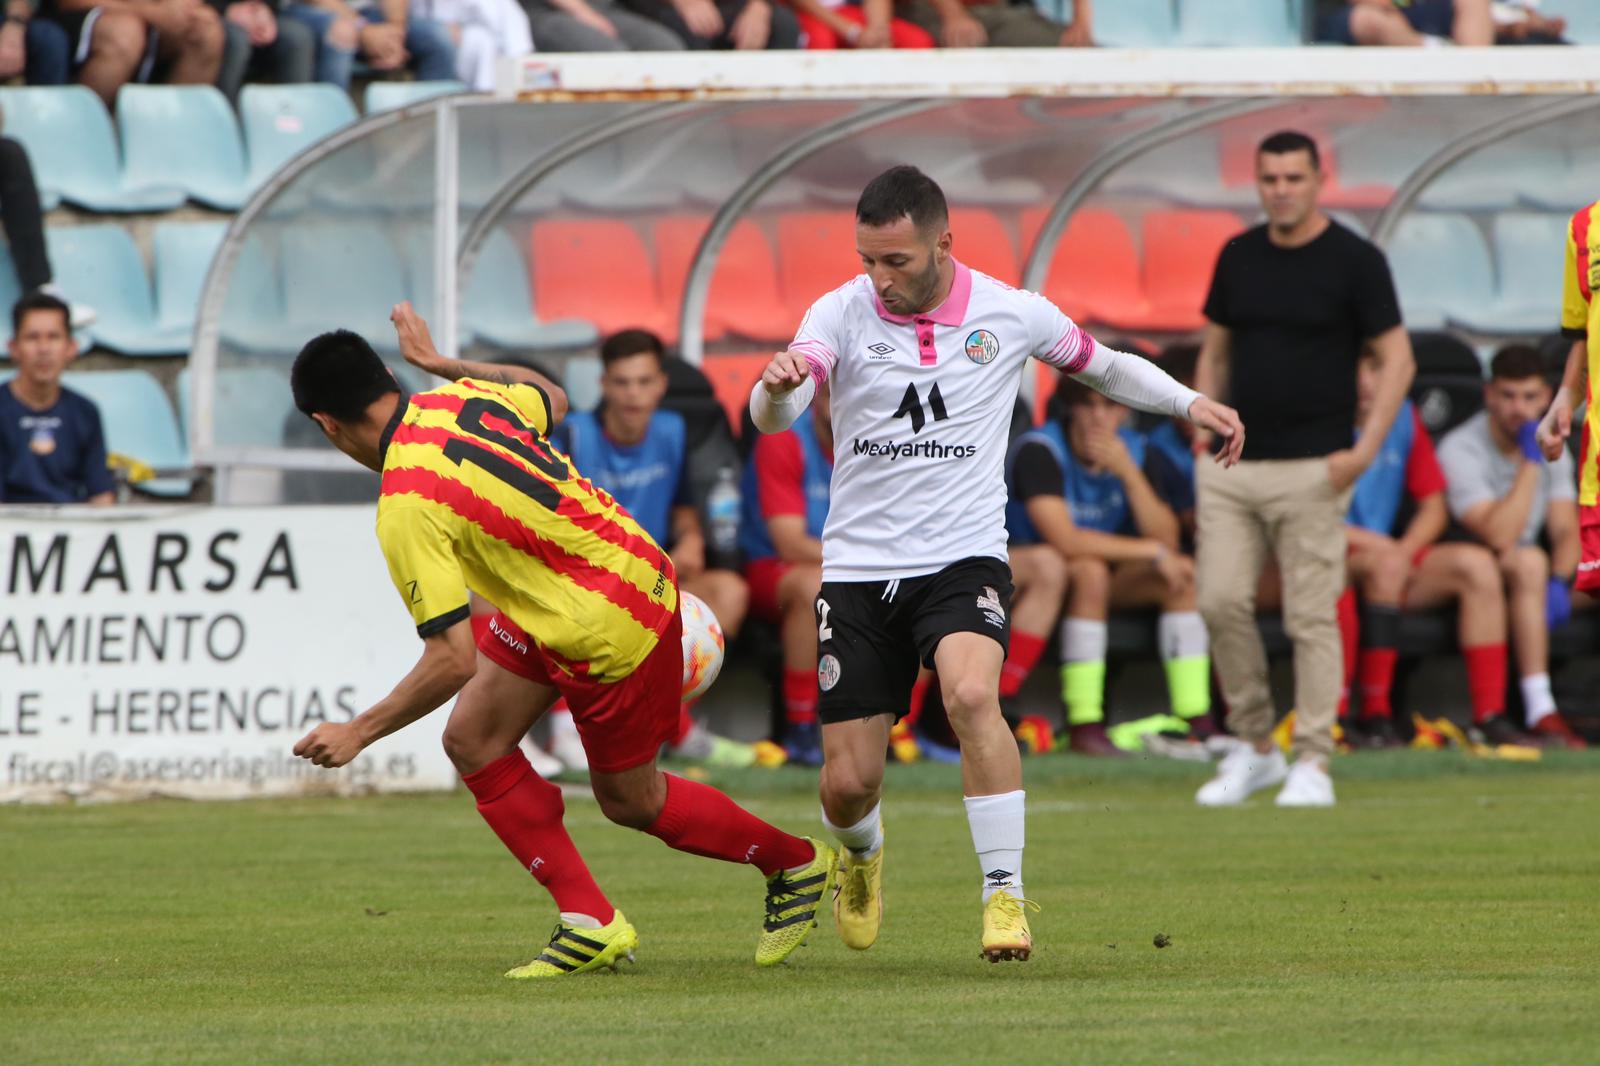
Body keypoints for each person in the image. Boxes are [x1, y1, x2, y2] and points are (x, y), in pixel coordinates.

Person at [750, 164, 1243, 962]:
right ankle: (864, 856)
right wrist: (776, 388)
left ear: (944, 241)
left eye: (896, 262)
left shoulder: (1009, 313)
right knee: (847, 785)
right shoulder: (839, 311)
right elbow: (778, 411)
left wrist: (1190, 403)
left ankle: (1004, 897)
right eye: (868, 260)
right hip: (859, 568)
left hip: (963, 555)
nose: (878, 278)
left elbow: (1105, 365)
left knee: (973, 695)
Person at [288, 302, 837, 978]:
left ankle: (795, 864)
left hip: (608, 630)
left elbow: (452, 657)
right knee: (473, 738)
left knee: (630, 802)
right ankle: (589, 920)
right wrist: (442, 365)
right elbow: (552, 396)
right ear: (389, 380)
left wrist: (358, 731)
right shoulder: (459, 400)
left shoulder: (406, 502)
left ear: (327, 424)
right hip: (596, 576)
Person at [1193, 129, 1415, 809]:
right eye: (1270, 179)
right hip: (1232, 467)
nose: (1281, 190)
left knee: (1311, 616)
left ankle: (1314, 758)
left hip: (1317, 466)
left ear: (1321, 179)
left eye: (1293, 178)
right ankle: (1257, 746)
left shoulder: (1356, 259)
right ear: (1257, 183)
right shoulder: (1238, 254)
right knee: (1219, 601)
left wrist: (1362, 452)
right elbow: (1216, 352)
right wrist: (1201, 421)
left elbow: (1398, 360)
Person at [555, 329, 755, 766]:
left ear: (661, 385)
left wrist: (692, 539)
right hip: (591, 576)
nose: (633, 394)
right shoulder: (573, 437)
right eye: (622, 382)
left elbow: (683, 508)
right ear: (603, 384)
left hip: (654, 573)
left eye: (644, 382)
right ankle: (654, 731)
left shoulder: (672, 431)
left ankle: (670, 723)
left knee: (728, 593)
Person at [1005, 377, 1212, 757]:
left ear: (1125, 411)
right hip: (1038, 582)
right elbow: (1065, 541)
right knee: (1089, 570)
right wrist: (1151, 552)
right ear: (1071, 408)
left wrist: (1129, 475)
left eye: (1110, 406)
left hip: (1104, 583)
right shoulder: (1041, 448)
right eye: (1088, 404)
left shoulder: (1139, 452)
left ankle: (1195, 719)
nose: (1098, 417)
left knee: (1182, 574)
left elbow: (1166, 538)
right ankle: (1085, 722)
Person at [1340, 346, 1517, 748]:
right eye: (1356, 369)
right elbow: (1305, 517)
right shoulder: (1314, 422)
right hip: (1328, 553)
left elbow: (1434, 506)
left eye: (1376, 369)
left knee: (1477, 565)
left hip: (1391, 557)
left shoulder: (1401, 416)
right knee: (1375, 566)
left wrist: (1403, 551)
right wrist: (1388, 552)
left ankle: (1489, 717)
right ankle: (1373, 714)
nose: (1366, 382)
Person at [1440, 345, 1588, 749]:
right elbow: (1499, 535)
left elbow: (1564, 528)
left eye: (1529, 397)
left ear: (1546, 397)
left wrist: (1561, 579)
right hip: (1475, 572)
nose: (1518, 409)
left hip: (1534, 577)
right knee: (1525, 560)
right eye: (1507, 396)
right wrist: (1529, 461)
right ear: (1489, 394)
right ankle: (1540, 710)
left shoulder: (1550, 443)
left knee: (1542, 565)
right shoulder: (1460, 447)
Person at [741, 377, 833, 767]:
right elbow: (791, 544)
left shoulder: (884, 444)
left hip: (843, 566)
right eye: (834, 393)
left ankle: (905, 727)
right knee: (812, 585)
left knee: (928, 575)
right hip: (772, 570)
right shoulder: (785, 439)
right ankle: (800, 727)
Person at [0, 292, 114, 505]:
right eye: (32, 337)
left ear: (71, 348)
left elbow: (101, 495)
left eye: (53, 337)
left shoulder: (85, 412)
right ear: (13, 348)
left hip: (72, 530)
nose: (43, 349)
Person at [44, 0, 225, 107]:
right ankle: (80, 136)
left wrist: (181, 9)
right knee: (125, 34)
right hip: (88, 12)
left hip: (155, 16)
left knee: (205, 31)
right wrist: (152, 12)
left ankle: (171, 142)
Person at [281, 0, 455, 90]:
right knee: (342, 32)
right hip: (304, 10)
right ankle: (333, 138)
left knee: (437, 38)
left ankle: (428, 135)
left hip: (366, 15)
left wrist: (396, 33)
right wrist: (363, 30)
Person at [409, 0, 531, 90]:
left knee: (482, 41)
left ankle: (486, 99)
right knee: (476, 41)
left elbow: (507, 26)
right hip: (421, 30)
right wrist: (441, 26)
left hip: (477, 37)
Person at [212, 0, 315, 101]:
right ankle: (224, 112)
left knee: (296, 38)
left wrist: (265, 11)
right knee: (238, 40)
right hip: (215, 13)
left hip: (261, 11)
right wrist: (227, 10)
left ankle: (294, 111)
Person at [896, 0, 1091, 48]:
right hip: (929, 10)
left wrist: (1082, 23)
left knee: (1069, 48)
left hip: (999, 12)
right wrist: (954, 16)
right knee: (964, 44)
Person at [620, 0, 799, 48]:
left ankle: (772, 122)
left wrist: (760, 5)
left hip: (726, 8)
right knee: (690, 30)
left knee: (782, 23)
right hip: (661, 8)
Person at [519, 0, 685, 51]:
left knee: (664, 47)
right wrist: (581, 12)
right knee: (610, 55)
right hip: (545, 12)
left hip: (605, 10)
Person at [1316, 0, 1493, 47]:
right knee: (1368, 21)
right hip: (1377, 16)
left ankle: (1474, 68)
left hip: (1427, 13)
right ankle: (1435, 49)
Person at [783, 0, 931, 48]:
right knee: (820, 42)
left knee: (917, 42)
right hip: (806, 14)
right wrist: (852, 32)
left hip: (853, 13)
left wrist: (879, 30)